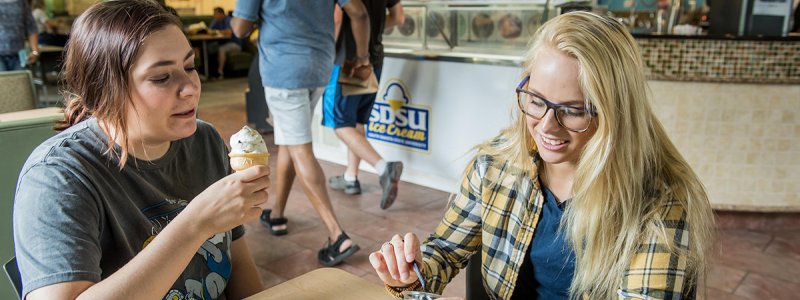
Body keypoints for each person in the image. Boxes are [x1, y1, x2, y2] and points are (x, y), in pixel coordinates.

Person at [368, 12, 714, 299]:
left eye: (573, 110)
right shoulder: (494, 166)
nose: (546, 126)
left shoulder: (660, 202)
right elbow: (443, 251)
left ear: (616, 113)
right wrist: (409, 273)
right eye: (536, 101)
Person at [12, 1, 267, 299]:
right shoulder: (57, 176)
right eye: (161, 77)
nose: (190, 88)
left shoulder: (205, 140)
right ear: (103, 90)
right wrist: (194, 224)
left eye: (189, 67)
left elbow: (239, 264)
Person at [231, 0, 371, 266]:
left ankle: (337, 235)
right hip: (319, 66)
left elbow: (239, 29)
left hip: (284, 71)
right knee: (290, 142)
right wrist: (362, 56)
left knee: (300, 148)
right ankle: (277, 214)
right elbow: (359, 12)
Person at [323, 0, 405, 208]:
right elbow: (398, 18)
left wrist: (326, 55)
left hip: (346, 60)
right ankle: (351, 177)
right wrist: (371, 28)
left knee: (340, 124)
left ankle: (383, 168)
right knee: (357, 121)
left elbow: (337, 18)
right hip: (373, 59)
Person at [0, 0, 39, 71]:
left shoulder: (22, 2)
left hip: (20, 55)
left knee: (20, 81)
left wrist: (35, 51)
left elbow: (31, 27)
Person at [209, 6, 242, 79]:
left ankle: (220, 72)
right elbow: (209, 31)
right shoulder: (216, 21)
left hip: (235, 43)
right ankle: (209, 72)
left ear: (221, 14)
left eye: (216, 14)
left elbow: (229, 32)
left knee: (221, 49)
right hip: (223, 43)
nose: (214, 16)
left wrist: (217, 32)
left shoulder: (228, 20)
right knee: (210, 48)